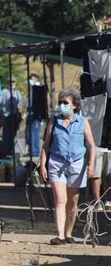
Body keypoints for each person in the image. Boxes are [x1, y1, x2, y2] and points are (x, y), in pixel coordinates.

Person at [40, 89, 96, 245]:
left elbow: (91, 146)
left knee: (72, 201)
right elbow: (46, 145)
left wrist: (91, 165)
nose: (62, 106)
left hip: (77, 164)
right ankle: (60, 235)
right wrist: (43, 165)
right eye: (60, 103)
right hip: (57, 163)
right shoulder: (53, 121)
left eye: (66, 103)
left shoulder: (83, 122)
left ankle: (68, 232)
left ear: (74, 105)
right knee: (60, 199)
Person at [0, 76, 21, 156]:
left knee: (13, 136)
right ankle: (6, 152)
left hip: (15, 118)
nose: (12, 83)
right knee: (6, 136)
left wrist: (19, 117)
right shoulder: (3, 92)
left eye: (13, 82)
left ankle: (11, 151)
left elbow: (19, 105)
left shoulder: (17, 92)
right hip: (6, 117)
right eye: (10, 82)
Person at [25, 73, 42, 157]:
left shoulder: (37, 89)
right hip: (31, 113)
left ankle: (34, 151)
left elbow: (38, 104)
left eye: (32, 78)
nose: (30, 80)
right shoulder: (32, 89)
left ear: (36, 79)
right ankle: (34, 150)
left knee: (32, 133)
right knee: (31, 133)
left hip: (34, 115)